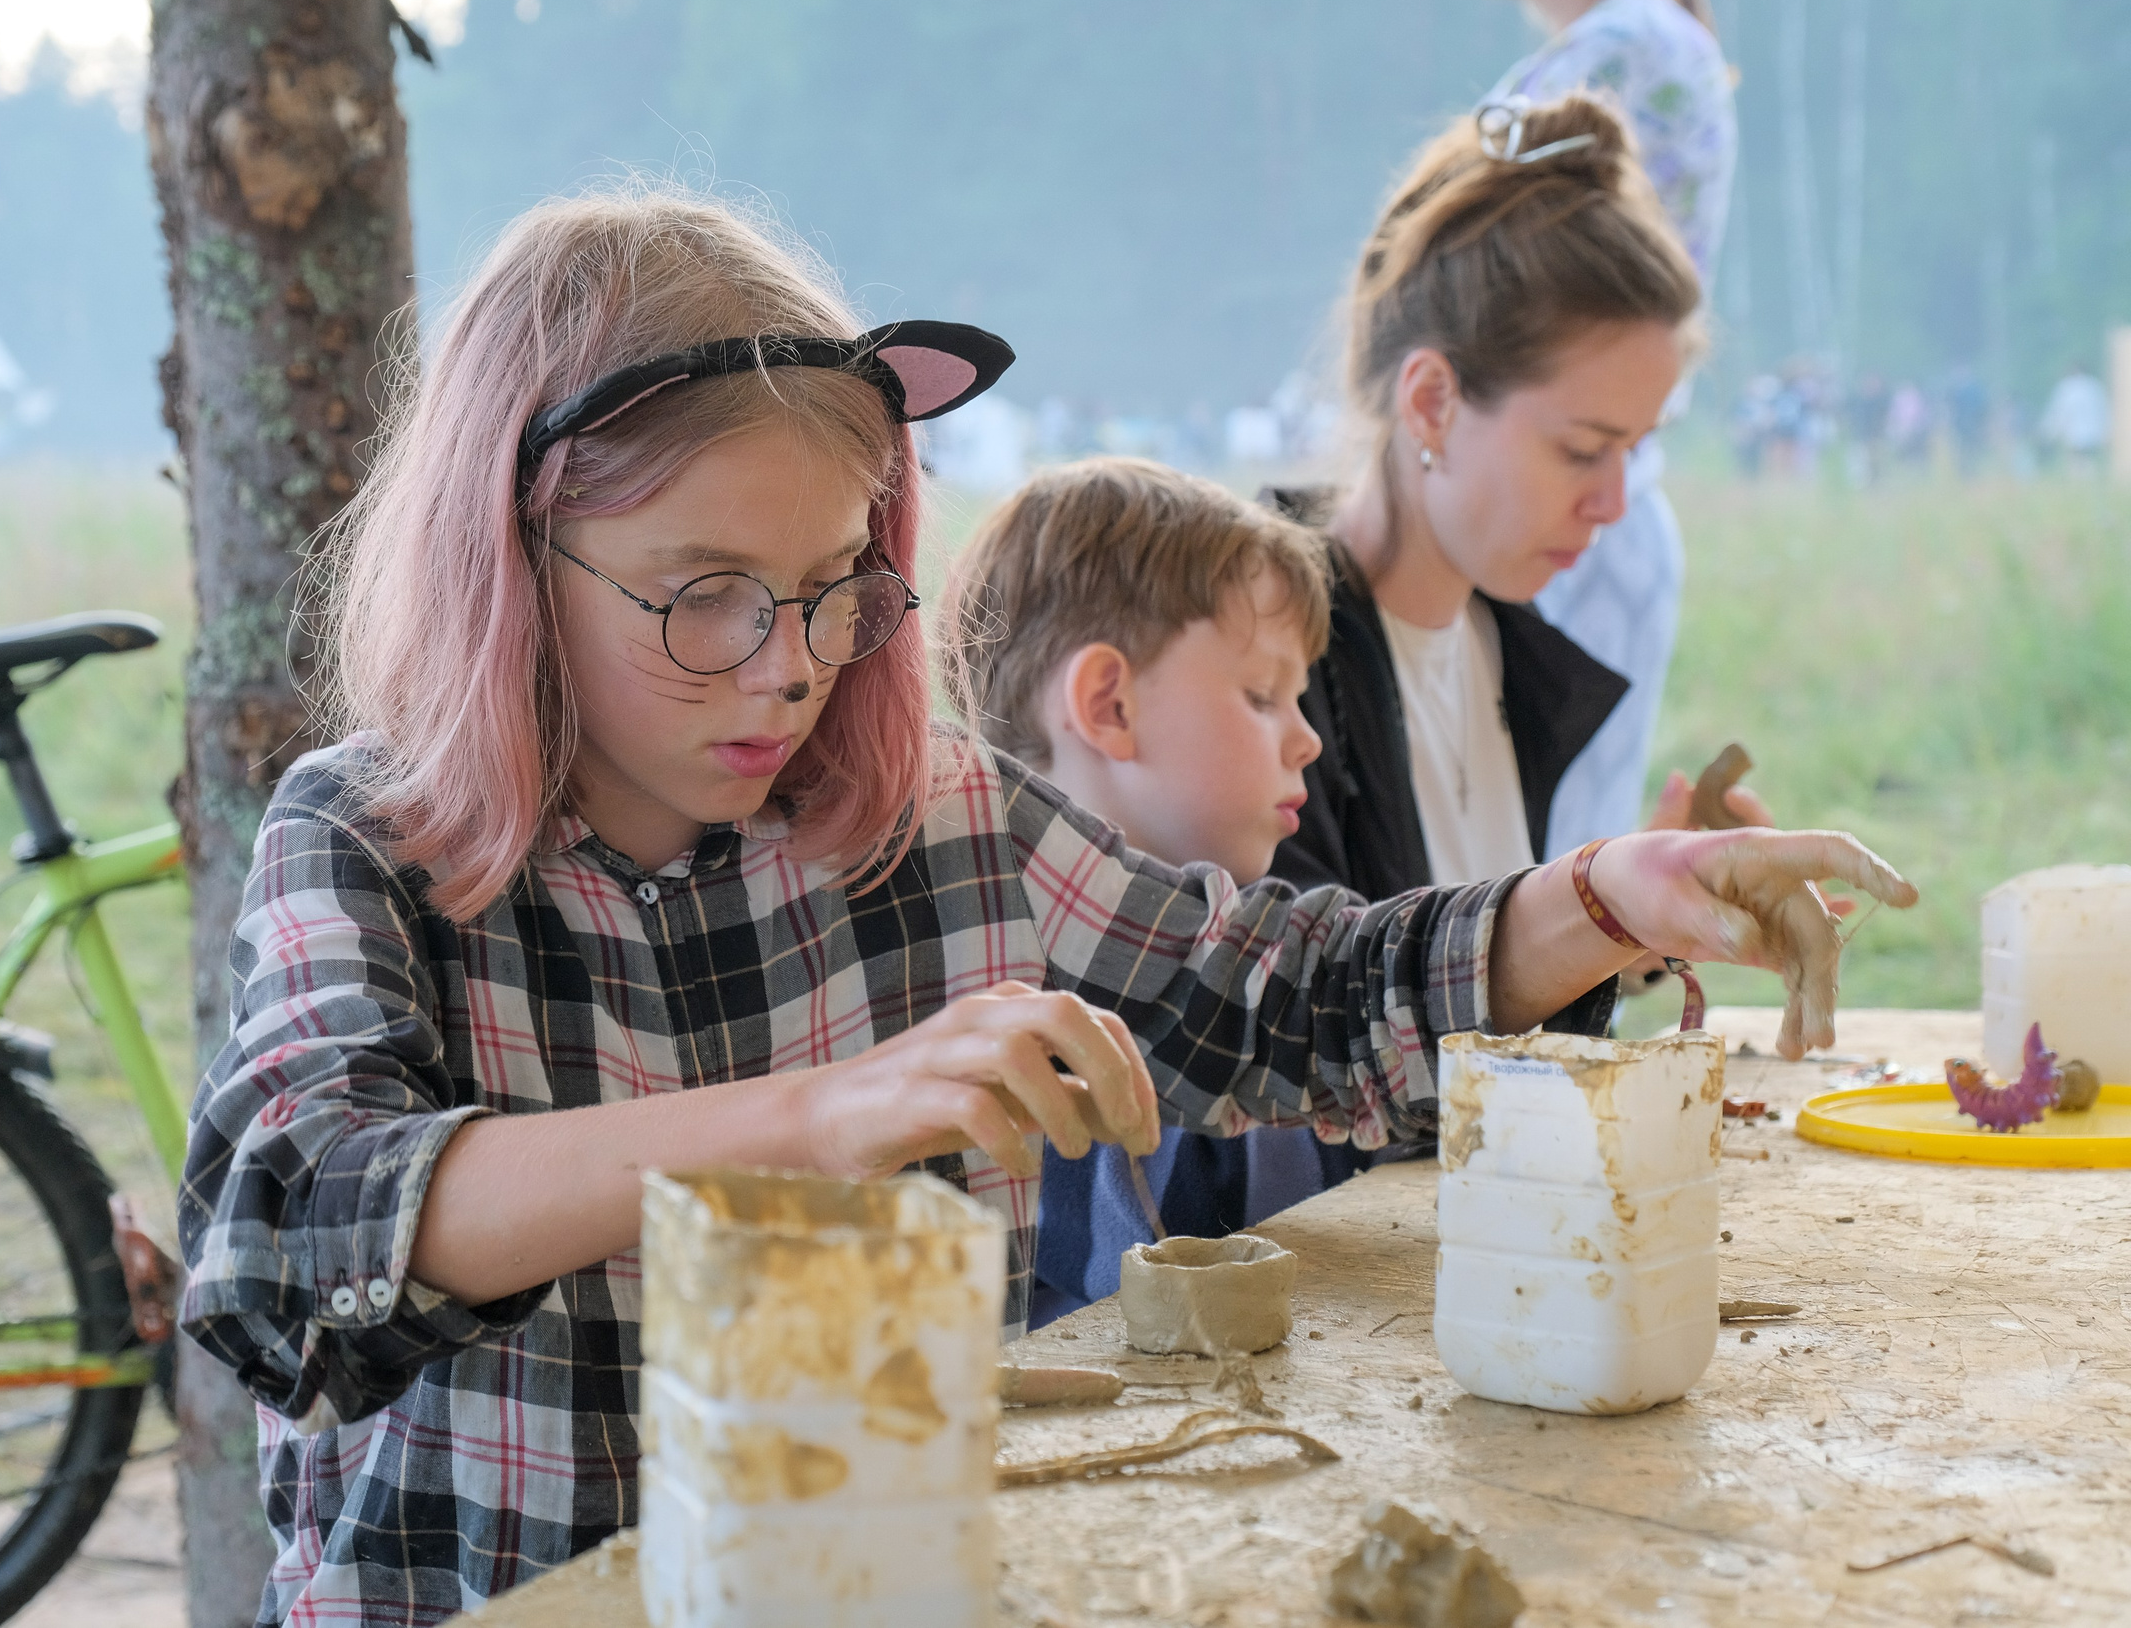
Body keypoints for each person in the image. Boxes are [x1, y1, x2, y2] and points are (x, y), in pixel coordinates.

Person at [175, 184, 1912, 1623]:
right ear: (508, 550)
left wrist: (1608, 893)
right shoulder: (375, 837)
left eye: (834, 586)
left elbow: (1298, 997)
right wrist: (821, 1114)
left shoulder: (932, 814)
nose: (785, 669)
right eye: (705, 597)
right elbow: (285, 1237)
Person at [939, 457, 1339, 1320]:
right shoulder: (1018, 1003)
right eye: (1264, 694)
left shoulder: (1246, 957)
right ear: (1110, 705)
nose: (1307, 738)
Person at [1452, 0, 1738, 857]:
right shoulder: (1636, 41)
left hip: (1565, 526)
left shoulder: (1625, 49)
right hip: (1576, 518)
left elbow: (1451, 288)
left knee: (1541, 895)